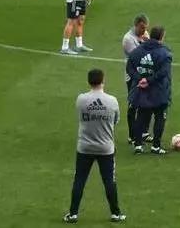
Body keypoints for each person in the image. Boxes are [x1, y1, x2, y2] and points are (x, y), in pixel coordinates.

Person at [64, 68, 125, 224]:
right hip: (106, 148)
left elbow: (81, 117)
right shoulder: (112, 101)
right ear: (103, 80)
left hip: (85, 147)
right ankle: (116, 213)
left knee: (79, 180)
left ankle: (73, 214)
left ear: (88, 81)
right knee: (109, 181)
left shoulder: (81, 99)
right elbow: (116, 121)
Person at [127, 26, 173, 155]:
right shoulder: (164, 53)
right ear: (161, 37)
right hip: (159, 90)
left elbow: (129, 68)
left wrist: (140, 79)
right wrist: (149, 80)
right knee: (160, 117)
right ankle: (156, 146)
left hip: (142, 90)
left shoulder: (137, 51)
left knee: (141, 116)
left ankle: (138, 145)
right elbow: (164, 72)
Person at [121, 14, 150, 145]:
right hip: (132, 76)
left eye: (146, 28)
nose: (144, 31)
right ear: (136, 25)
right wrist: (147, 43)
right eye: (142, 28)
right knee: (133, 105)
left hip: (145, 75)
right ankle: (132, 135)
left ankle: (143, 132)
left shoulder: (144, 34)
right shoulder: (128, 39)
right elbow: (138, 56)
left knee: (147, 104)